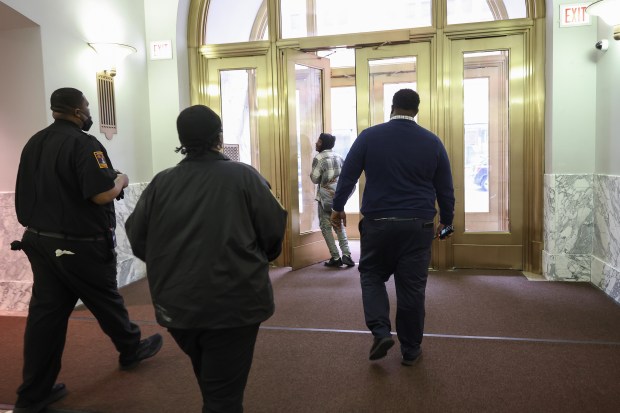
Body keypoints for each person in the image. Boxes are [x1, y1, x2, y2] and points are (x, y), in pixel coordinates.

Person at [125, 104, 287, 413]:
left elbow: (137, 237)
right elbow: (272, 232)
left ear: (182, 140)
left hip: (177, 305)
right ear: (219, 137)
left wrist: (168, 266)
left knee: (212, 380)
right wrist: (255, 260)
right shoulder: (244, 176)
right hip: (234, 303)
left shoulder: (162, 182)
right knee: (223, 396)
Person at [12, 87, 163, 413]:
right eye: (88, 107)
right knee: (105, 297)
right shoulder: (84, 144)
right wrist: (121, 179)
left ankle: (33, 393)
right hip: (78, 245)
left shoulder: (34, 142)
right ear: (79, 111)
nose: (89, 112)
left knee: (46, 317)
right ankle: (131, 347)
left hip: (39, 242)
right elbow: (101, 194)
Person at [330, 88, 455, 366]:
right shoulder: (432, 142)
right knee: (412, 288)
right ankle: (411, 350)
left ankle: (380, 331)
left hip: (378, 223)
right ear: (417, 110)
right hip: (418, 225)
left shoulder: (370, 137)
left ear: (392, 107)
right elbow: (445, 187)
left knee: (372, 275)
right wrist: (447, 220)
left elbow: (348, 175)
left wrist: (337, 207)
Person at [309, 133, 355, 268]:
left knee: (325, 226)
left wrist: (312, 174)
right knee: (338, 223)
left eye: (318, 141)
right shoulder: (339, 156)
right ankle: (347, 255)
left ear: (322, 143)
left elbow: (315, 179)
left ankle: (335, 257)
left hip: (324, 197)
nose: (316, 143)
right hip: (338, 196)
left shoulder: (319, 158)